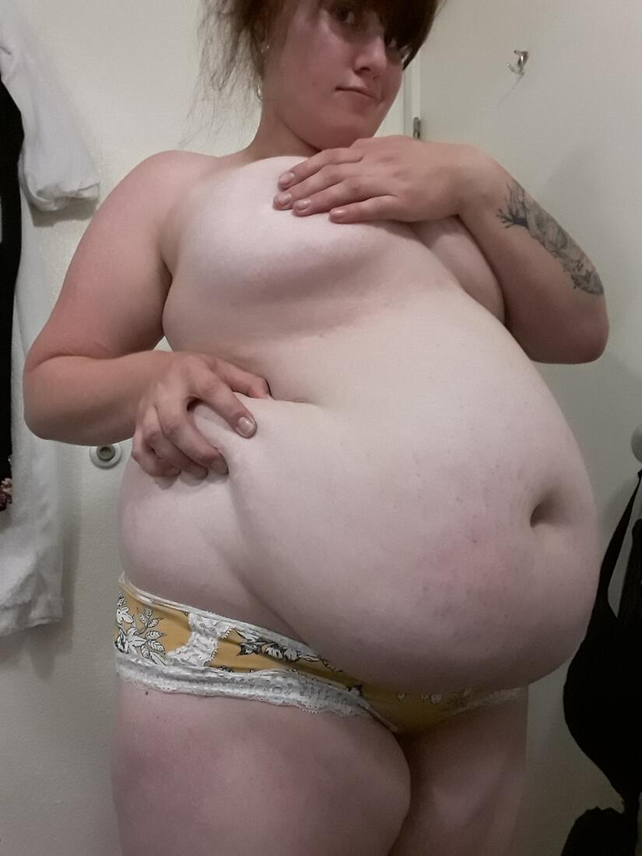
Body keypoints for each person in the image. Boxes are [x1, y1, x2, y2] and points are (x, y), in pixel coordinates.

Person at [24, 1, 609, 854]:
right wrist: (155, 374)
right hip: (262, 658)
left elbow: (583, 328)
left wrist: (478, 179)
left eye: (399, 41)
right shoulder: (178, 186)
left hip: (481, 696)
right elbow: (50, 386)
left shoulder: (444, 195)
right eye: (349, 19)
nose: (378, 61)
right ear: (260, 20)